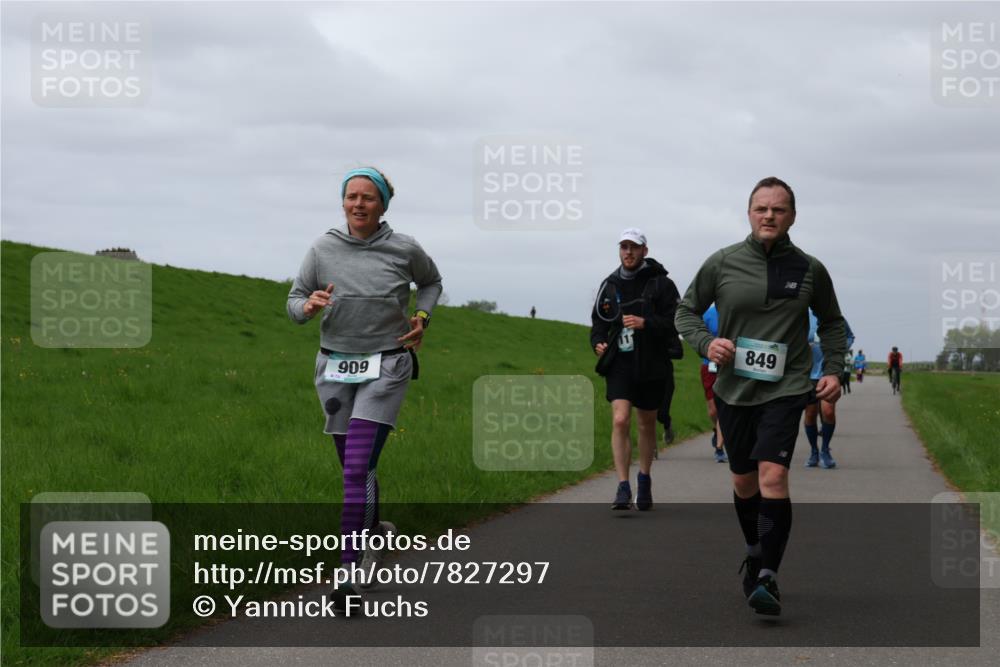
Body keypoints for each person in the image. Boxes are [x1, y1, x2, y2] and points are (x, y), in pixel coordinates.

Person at [675, 176, 847, 617]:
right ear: (749, 213)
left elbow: (830, 323)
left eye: (779, 209)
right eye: (761, 208)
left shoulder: (810, 268)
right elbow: (686, 311)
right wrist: (706, 344)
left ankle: (768, 575)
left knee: (773, 477)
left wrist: (832, 369)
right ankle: (754, 549)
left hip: (787, 388)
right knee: (744, 481)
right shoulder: (723, 262)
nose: (769, 215)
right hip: (734, 387)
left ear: (792, 215)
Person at [286, 167, 442, 611]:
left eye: (368, 197)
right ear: (343, 202)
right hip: (334, 365)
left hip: (387, 364)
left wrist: (422, 319)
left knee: (356, 468)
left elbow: (431, 282)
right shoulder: (322, 248)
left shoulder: (404, 248)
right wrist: (308, 305)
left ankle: (348, 573)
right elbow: (294, 303)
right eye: (351, 196)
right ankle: (373, 533)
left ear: (383, 205)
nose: (358, 204)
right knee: (356, 468)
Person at [591, 228, 681, 511]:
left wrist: (646, 323)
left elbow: (676, 322)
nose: (628, 252)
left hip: (652, 363)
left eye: (634, 247)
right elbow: (598, 323)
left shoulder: (662, 285)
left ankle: (644, 478)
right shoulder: (610, 284)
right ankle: (622, 485)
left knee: (645, 423)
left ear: (645, 250)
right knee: (620, 420)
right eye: (624, 247)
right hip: (620, 363)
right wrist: (599, 343)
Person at [803, 311, 855, 469]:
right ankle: (814, 451)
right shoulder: (802, 313)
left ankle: (825, 450)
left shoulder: (833, 314)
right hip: (807, 372)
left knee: (828, 411)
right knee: (810, 414)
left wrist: (837, 350)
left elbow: (849, 337)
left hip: (828, 371)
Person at [700, 304, 727, 463]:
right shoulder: (708, 314)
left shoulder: (735, 308)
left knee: (723, 406)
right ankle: (717, 431)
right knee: (713, 410)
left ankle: (719, 448)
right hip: (709, 365)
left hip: (729, 364)